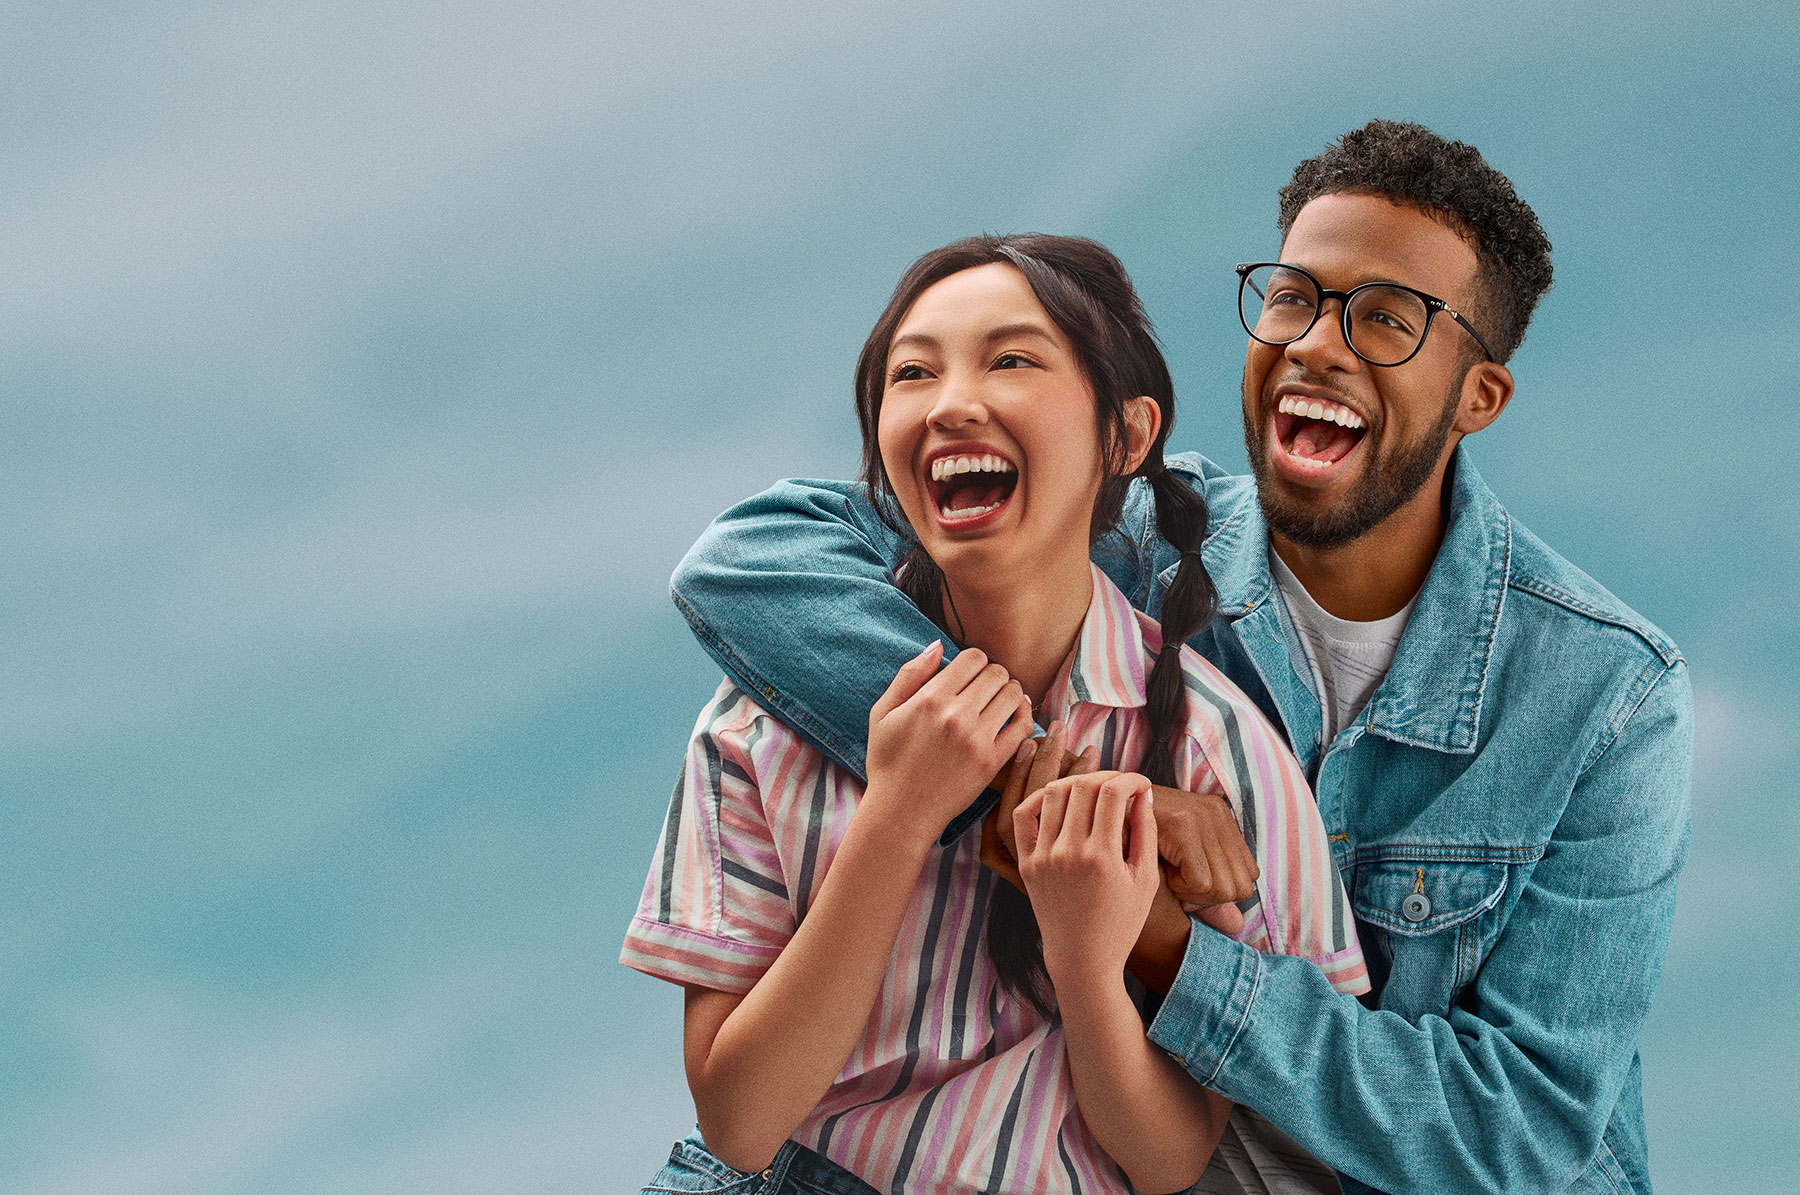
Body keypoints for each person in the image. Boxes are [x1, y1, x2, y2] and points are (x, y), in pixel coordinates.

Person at [668, 121, 1693, 1195]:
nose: (1318, 344)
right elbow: (753, 559)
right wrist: (1031, 781)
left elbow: (1514, 1134)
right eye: (1294, 297)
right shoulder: (1132, 532)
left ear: (1478, 396)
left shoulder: (1610, 695)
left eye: (1386, 319)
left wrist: (1160, 937)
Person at [624, 234, 1368, 1194]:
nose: (952, 402)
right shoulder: (760, 723)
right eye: (912, 373)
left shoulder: (1218, 752)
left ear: (1126, 437)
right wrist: (898, 814)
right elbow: (738, 1119)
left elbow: (1170, 1156)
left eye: (1012, 359)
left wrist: (1088, 955)